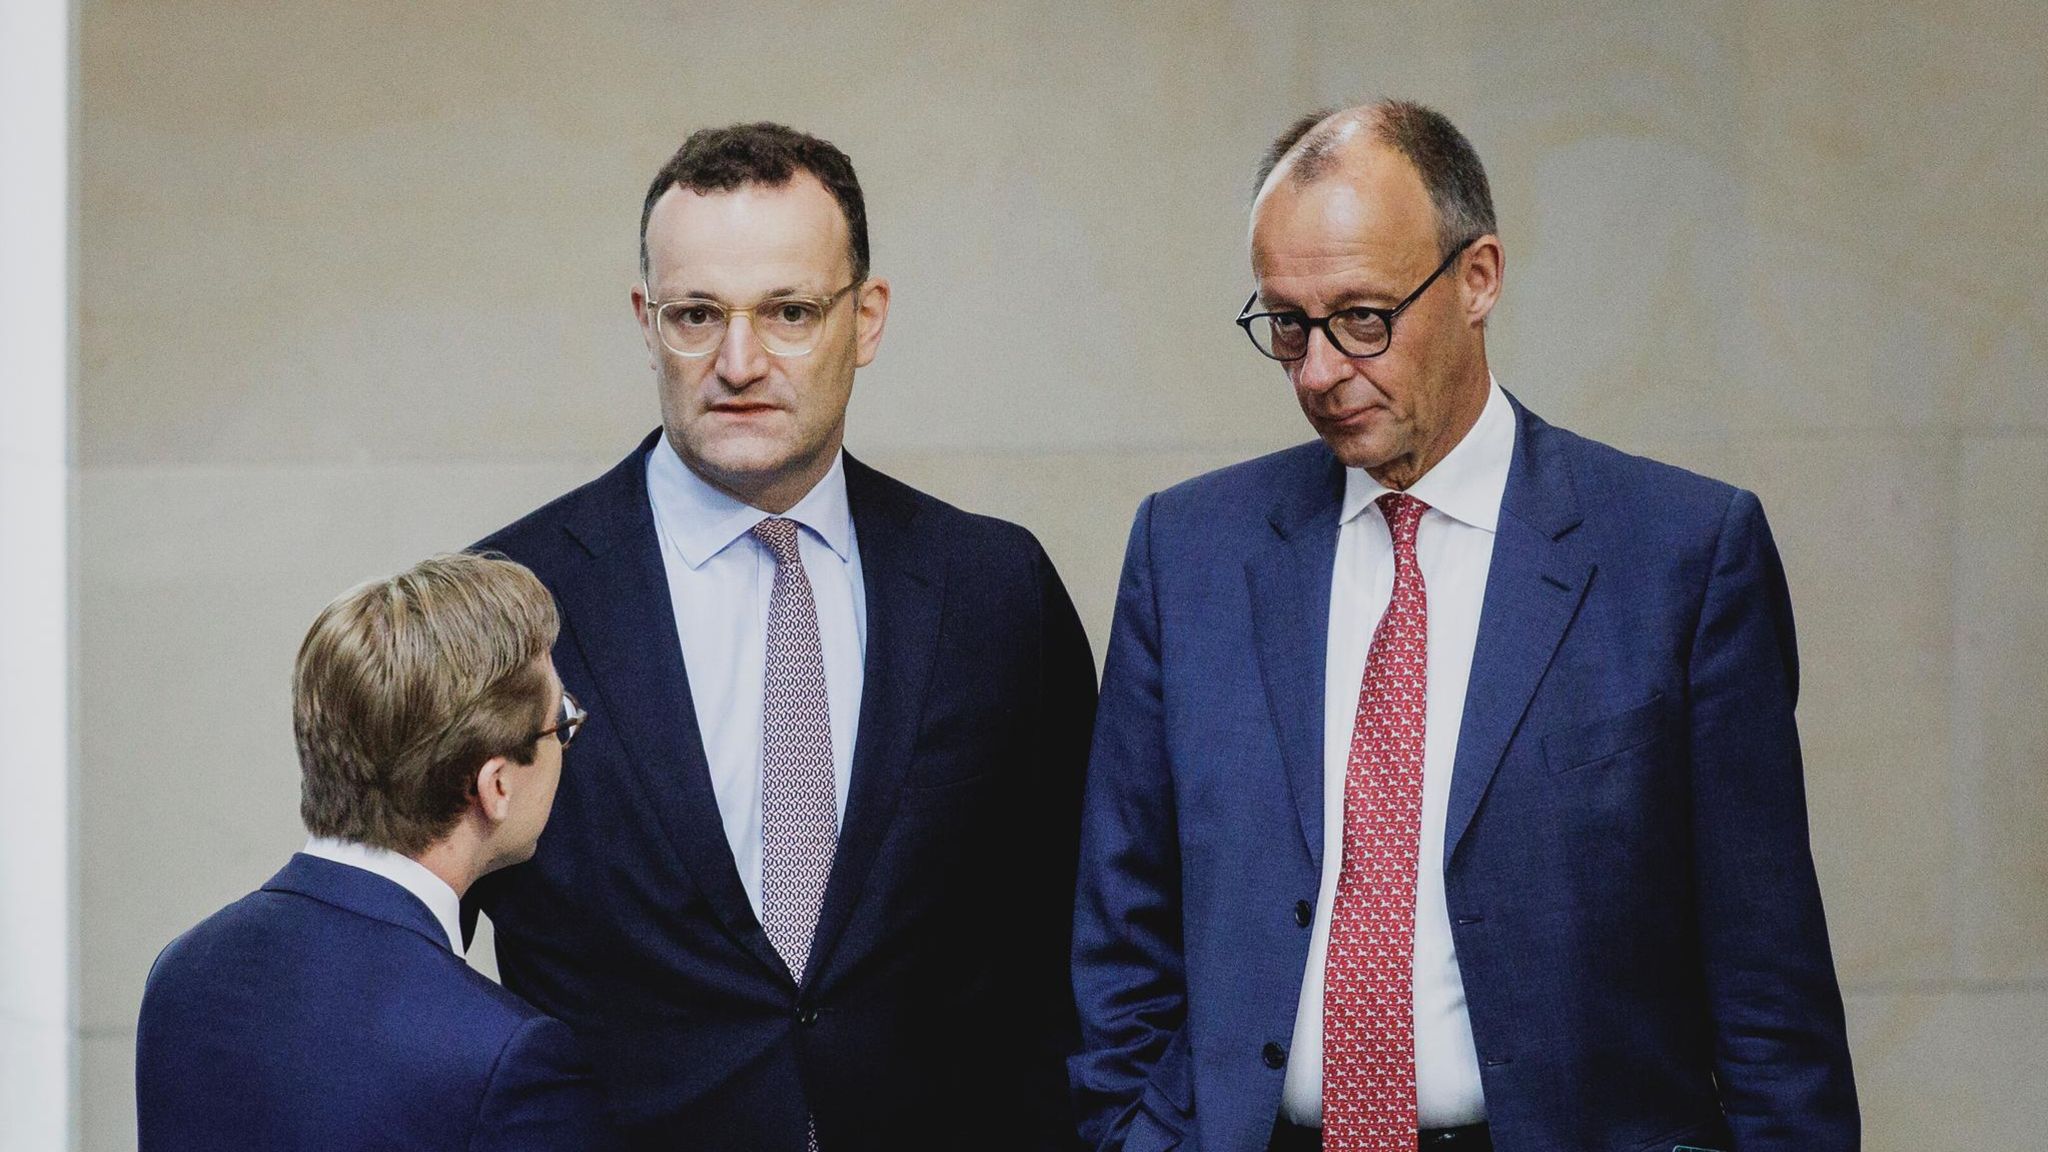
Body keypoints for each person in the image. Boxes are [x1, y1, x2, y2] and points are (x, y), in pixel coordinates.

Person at [1071, 100, 1858, 1152]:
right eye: (1286, 325)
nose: (1315, 372)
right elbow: (1121, 930)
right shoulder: (1189, 553)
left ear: (1477, 277)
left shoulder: (1677, 555)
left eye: (1361, 318)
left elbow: (1766, 983)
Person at [468, 121, 1098, 1150]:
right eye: (695, 315)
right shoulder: (506, 601)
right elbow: (405, 948)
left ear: (868, 318)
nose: (738, 360)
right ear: (644, 319)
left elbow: (1089, 930)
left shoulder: (995, 592)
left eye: (790, 312)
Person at [136, 553, 612, 1151]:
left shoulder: (184, 970)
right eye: (560, 724)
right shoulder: (507, 1058)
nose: (568, 741)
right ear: (495, 786)